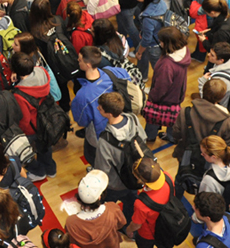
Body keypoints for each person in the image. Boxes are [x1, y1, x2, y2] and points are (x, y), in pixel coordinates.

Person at [71, 46, 133, 165]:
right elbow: (128, 84)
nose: (77, 61)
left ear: (88, 64)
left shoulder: (83, 96)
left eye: (79, 60)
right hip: (123, 123)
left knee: (95, 158)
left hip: (100, 134)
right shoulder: (113, 72)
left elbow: (81, 121)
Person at [94, 92, 146, 225]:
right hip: (135, 177)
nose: (98, 108)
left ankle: (103, 225)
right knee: (131, 204)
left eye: (100, 108)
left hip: (115, 185)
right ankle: (127, 224)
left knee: (103, 207)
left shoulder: (105, 140)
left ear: (108, 114)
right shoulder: (133, 119)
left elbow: (102, 169)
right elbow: (143, 139)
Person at [11, 52, 57, 179]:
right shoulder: (42, 71)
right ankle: (51, 169)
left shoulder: (20, 94)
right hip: (47, 119)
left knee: (28, 151)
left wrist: (21, 132)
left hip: (32, 127)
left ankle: (39, 173)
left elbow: (25, 120)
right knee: (46, 147)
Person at [144, 25, 190, 142]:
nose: (160, 43)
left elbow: (161, 87)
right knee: (172, 121)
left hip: (163, 99)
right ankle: (171, 137)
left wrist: (152, 97)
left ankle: (150, 137)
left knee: (152, 120)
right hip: (176, 95)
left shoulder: (167, 65)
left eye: (161, 41)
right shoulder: (184, 51)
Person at [65, 169, 126, 248]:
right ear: (100, 197)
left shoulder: (71, 223)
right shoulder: (112, 209)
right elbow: (122, 223)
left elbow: (73, 242)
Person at [126, 158, 175, 248]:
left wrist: (129, 230)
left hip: (148, 235)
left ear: (139, 178)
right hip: (167, 225)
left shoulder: (141, 204)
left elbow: (136, 225)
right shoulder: (167, 177)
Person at [136, 0, 168, 84]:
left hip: (153, 46)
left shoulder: (148, 18)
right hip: (160, 38)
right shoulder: (160, 1)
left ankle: (158, 87)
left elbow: (146, 40)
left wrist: (140, 52)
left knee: (158, 70)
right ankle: (142, 76)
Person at [198, 136, 230, 206]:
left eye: (203, 154)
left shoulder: (209, 179)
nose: (201, 155)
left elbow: (205, 201)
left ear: (214, 157)